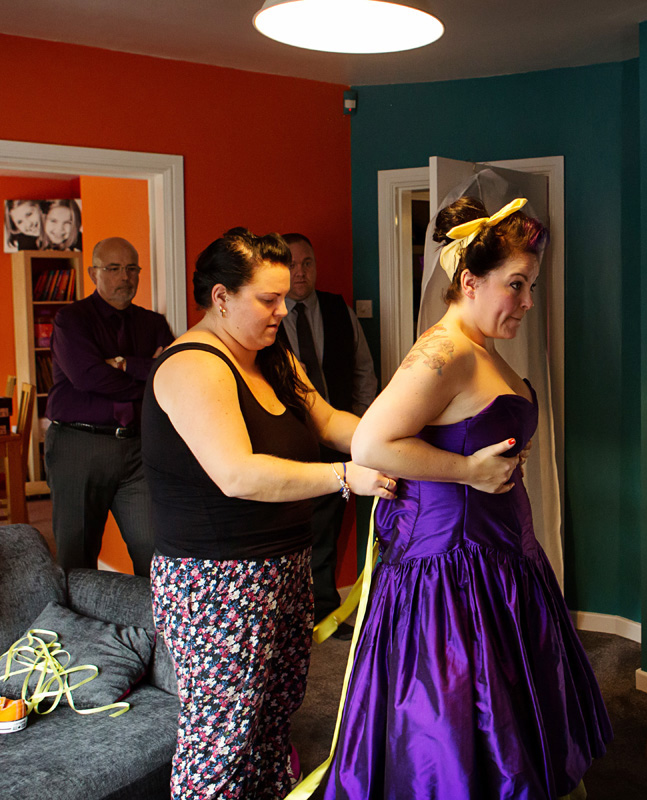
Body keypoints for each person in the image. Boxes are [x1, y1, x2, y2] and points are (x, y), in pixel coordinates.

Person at [315, 197, 612, 800]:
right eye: (517, 286)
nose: (528, 302)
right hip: (452, 571)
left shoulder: (481, 348)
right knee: (457, 717)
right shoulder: (444, 351)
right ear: (469, 282)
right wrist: (467, 471)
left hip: (503, 554)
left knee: (510, 711)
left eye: (530, 285)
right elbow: (372, 441)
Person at [142, 228, 396, 800]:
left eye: (285, 297)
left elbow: (331, 422)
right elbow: (238, 474)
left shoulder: (271, 353)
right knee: (221, 743)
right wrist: (343, 478)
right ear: (221, 298)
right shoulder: (191, 368)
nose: (285, 309)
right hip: (216, 583)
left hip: (283, 565)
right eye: (268, 299)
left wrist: (410, 443)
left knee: (270, 725)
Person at [44, 236, 172, 577]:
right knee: (77, 553)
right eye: (113, 268)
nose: (124, 277)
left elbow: (170, 378)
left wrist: (123, 363)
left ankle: (152, 628)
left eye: (132, 269)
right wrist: (146, 370)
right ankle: (77, 630)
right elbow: (88, 378)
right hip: (79, 447)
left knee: (155, 549)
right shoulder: (71, 320)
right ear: (93, 273)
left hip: (138, 449)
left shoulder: (153, 324)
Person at [278, 232, 378, 639]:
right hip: (286, 440)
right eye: (292, 263)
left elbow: (362, 370)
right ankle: (286, 615)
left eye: (307, 262)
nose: (300, 272)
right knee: (288, 529)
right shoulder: (266, 313)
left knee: (329, 526)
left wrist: (363, 427)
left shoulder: (338, 309)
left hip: (336, 437)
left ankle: (323, 609)